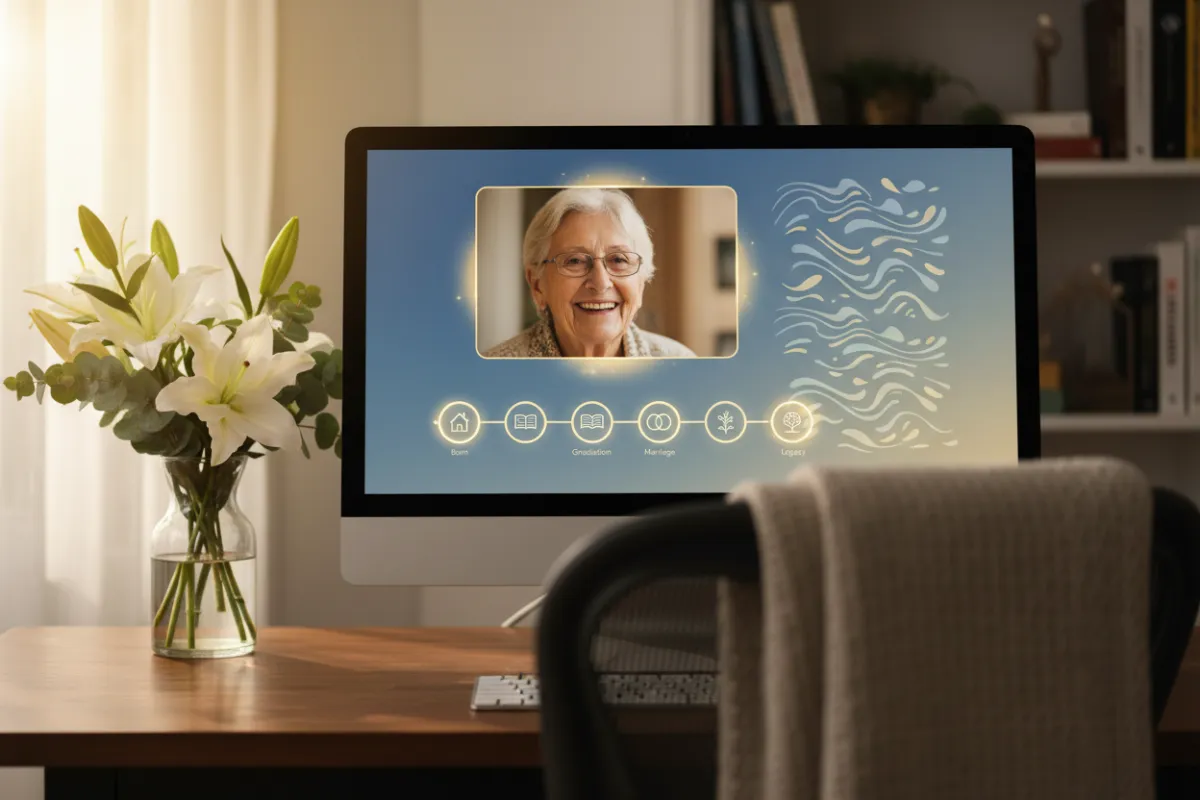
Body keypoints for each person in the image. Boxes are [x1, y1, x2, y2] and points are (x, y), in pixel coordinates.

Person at [483, 187, 696, 358]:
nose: (601, 282)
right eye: (574, 261)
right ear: (538, 285)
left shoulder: (680, 363)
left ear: (640, 284)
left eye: (619, 260)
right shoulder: (491, 374)